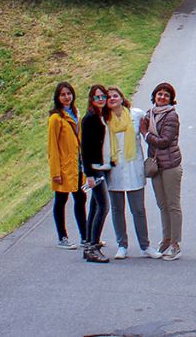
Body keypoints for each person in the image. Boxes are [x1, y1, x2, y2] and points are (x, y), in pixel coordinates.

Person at [105, 87, 160, 260]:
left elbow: (151, 129)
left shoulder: (136, 115)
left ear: (122, 98)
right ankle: (122, 245)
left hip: (133, 167)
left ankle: (145, 246)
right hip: (114, 169)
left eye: (115, 96)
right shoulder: (104, 119)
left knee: (138, 210)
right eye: (109, 97)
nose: (112, 99)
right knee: (117, 209)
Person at [140, 82, 183, 260]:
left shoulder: (171, 116)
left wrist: (146, 134)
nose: (162, 97)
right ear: (154, 96)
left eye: (166, 95)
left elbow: (165, 140)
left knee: (173, 205)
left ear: (171, 99)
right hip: (157, 166)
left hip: (171, 165)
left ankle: (175, 244)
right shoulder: (149, 114)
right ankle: (166, 239)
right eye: (159, 94)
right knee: (162, 204)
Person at [47, 81, 87, 250]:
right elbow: (52, 147)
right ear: (58, 97)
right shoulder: (56, 118)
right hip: (63, 167)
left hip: (77, 165)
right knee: (61, 200)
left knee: (80, 198)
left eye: (68, 94)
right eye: (62, 94)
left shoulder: (75, 113)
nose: (66, 97)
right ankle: (62, 237)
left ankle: (85, 237)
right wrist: (55, 171)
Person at [79, 83, 112, 263]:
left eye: (103, 97)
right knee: (103, 206)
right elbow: (85, 149)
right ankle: (92, 247)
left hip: (103, 166)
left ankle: (90, 242)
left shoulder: (102, 116)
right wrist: (89, 174)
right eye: (97, 97)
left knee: (94, 205)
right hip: (95, 169)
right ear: (92, 99)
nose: (101, 100)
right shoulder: (90, 118)